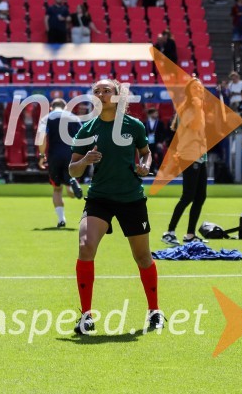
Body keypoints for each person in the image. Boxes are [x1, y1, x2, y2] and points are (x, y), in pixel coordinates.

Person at [69, 79, 161, 335]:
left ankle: (154, 311)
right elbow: (73, 170)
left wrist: (145, 165)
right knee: (85, 246)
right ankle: (86, 315)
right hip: (99, 198)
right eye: (96, 91)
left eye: (106, 90)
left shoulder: (134, 125)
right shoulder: (87, 129)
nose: (101, 94)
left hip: (131, 197)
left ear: (118, 96)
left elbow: (146, 152)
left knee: (142, 256)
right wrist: (85, 160)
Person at [162, 79, 210, 245]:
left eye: (201, 87)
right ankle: (169, 232)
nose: (199, 89)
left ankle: (190, 234)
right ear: (189, 91)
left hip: (200, 155)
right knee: (188, 196)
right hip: (189, 155)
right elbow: (195, 126)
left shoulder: (197, 108)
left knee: (200, 196)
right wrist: (196, 106)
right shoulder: (190, 109)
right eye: (195, 87)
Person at [39, 99, 84, 228]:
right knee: (70, 188)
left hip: (54, 156)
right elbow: (83, 137)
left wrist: (42, 156)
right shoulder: (74, 118)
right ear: (65, 107)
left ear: (51, 108)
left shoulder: (46, 118)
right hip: (71, 155)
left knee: (57, 189)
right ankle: (71, 184)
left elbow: (42, 138)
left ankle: (61, 220)